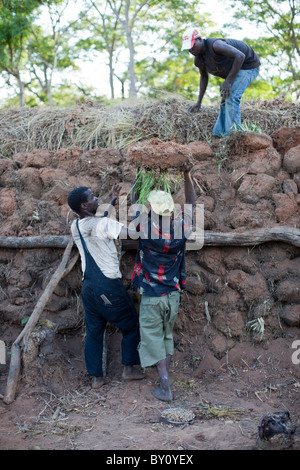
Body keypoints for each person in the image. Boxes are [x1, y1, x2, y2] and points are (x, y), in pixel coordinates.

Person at [67, 184, 145, 389]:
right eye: (92, 197)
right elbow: (134, 234)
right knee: (130, 324)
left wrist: (112, 201)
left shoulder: (76, 226)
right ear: (84, 205)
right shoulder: (103, 224)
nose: (97, 199)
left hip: (89, 287)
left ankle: (96, 378)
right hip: (107, 285)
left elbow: (95, 222)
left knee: (94, 331)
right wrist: (138, 213)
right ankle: (128, 369)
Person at [131, 166, 196, 402]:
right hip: (173, 295)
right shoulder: (182, 229)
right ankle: (165, 379)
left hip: (152, 296)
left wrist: (140, 178)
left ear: (152, 210)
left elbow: (134, 202)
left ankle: (165, 386)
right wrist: (187, 177)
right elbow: (191, 205)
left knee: (152, 338)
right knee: (167, 336)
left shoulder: (145, 229)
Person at [181, 27, 260, 137]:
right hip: (235, 68)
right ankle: (219, 135)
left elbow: (240, 56)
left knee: (232, 97)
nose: (190, 50)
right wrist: (199, 101)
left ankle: (234, 135)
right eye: (188, 48)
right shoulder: (199, 60)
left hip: (248, 65)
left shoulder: (216, 45)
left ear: (199, 39)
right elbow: (204, 78)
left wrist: (228, 81)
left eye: (192, 45)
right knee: (225, 99)